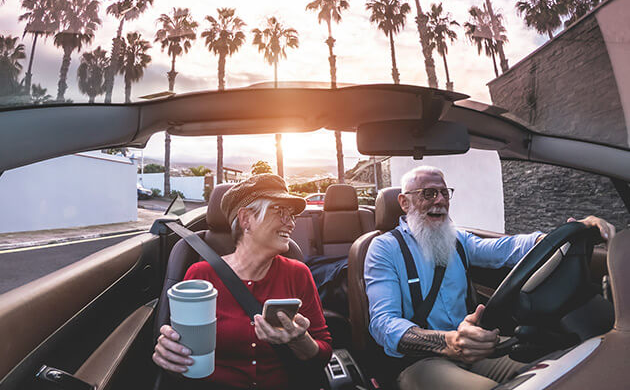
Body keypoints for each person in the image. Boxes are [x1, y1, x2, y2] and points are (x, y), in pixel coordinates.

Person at [364, 166, 616, 388]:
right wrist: (447, 341)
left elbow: (504, 249)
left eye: (444, 192)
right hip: (422, 361)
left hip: (477, 347)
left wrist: (569, 231)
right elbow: (383, 324)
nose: (440, 200)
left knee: (562, 369)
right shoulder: (384, 248)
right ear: (404, 202)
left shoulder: (457, 240)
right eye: (428, 193)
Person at [153, 174, 332, 389]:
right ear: (246, 219)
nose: (291, 222)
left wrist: (299, 340)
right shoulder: (201, 274)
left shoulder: (298, 274)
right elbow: (179, 346)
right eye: (279, 211)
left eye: (291, 214)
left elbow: (323, 352)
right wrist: (169, 352)